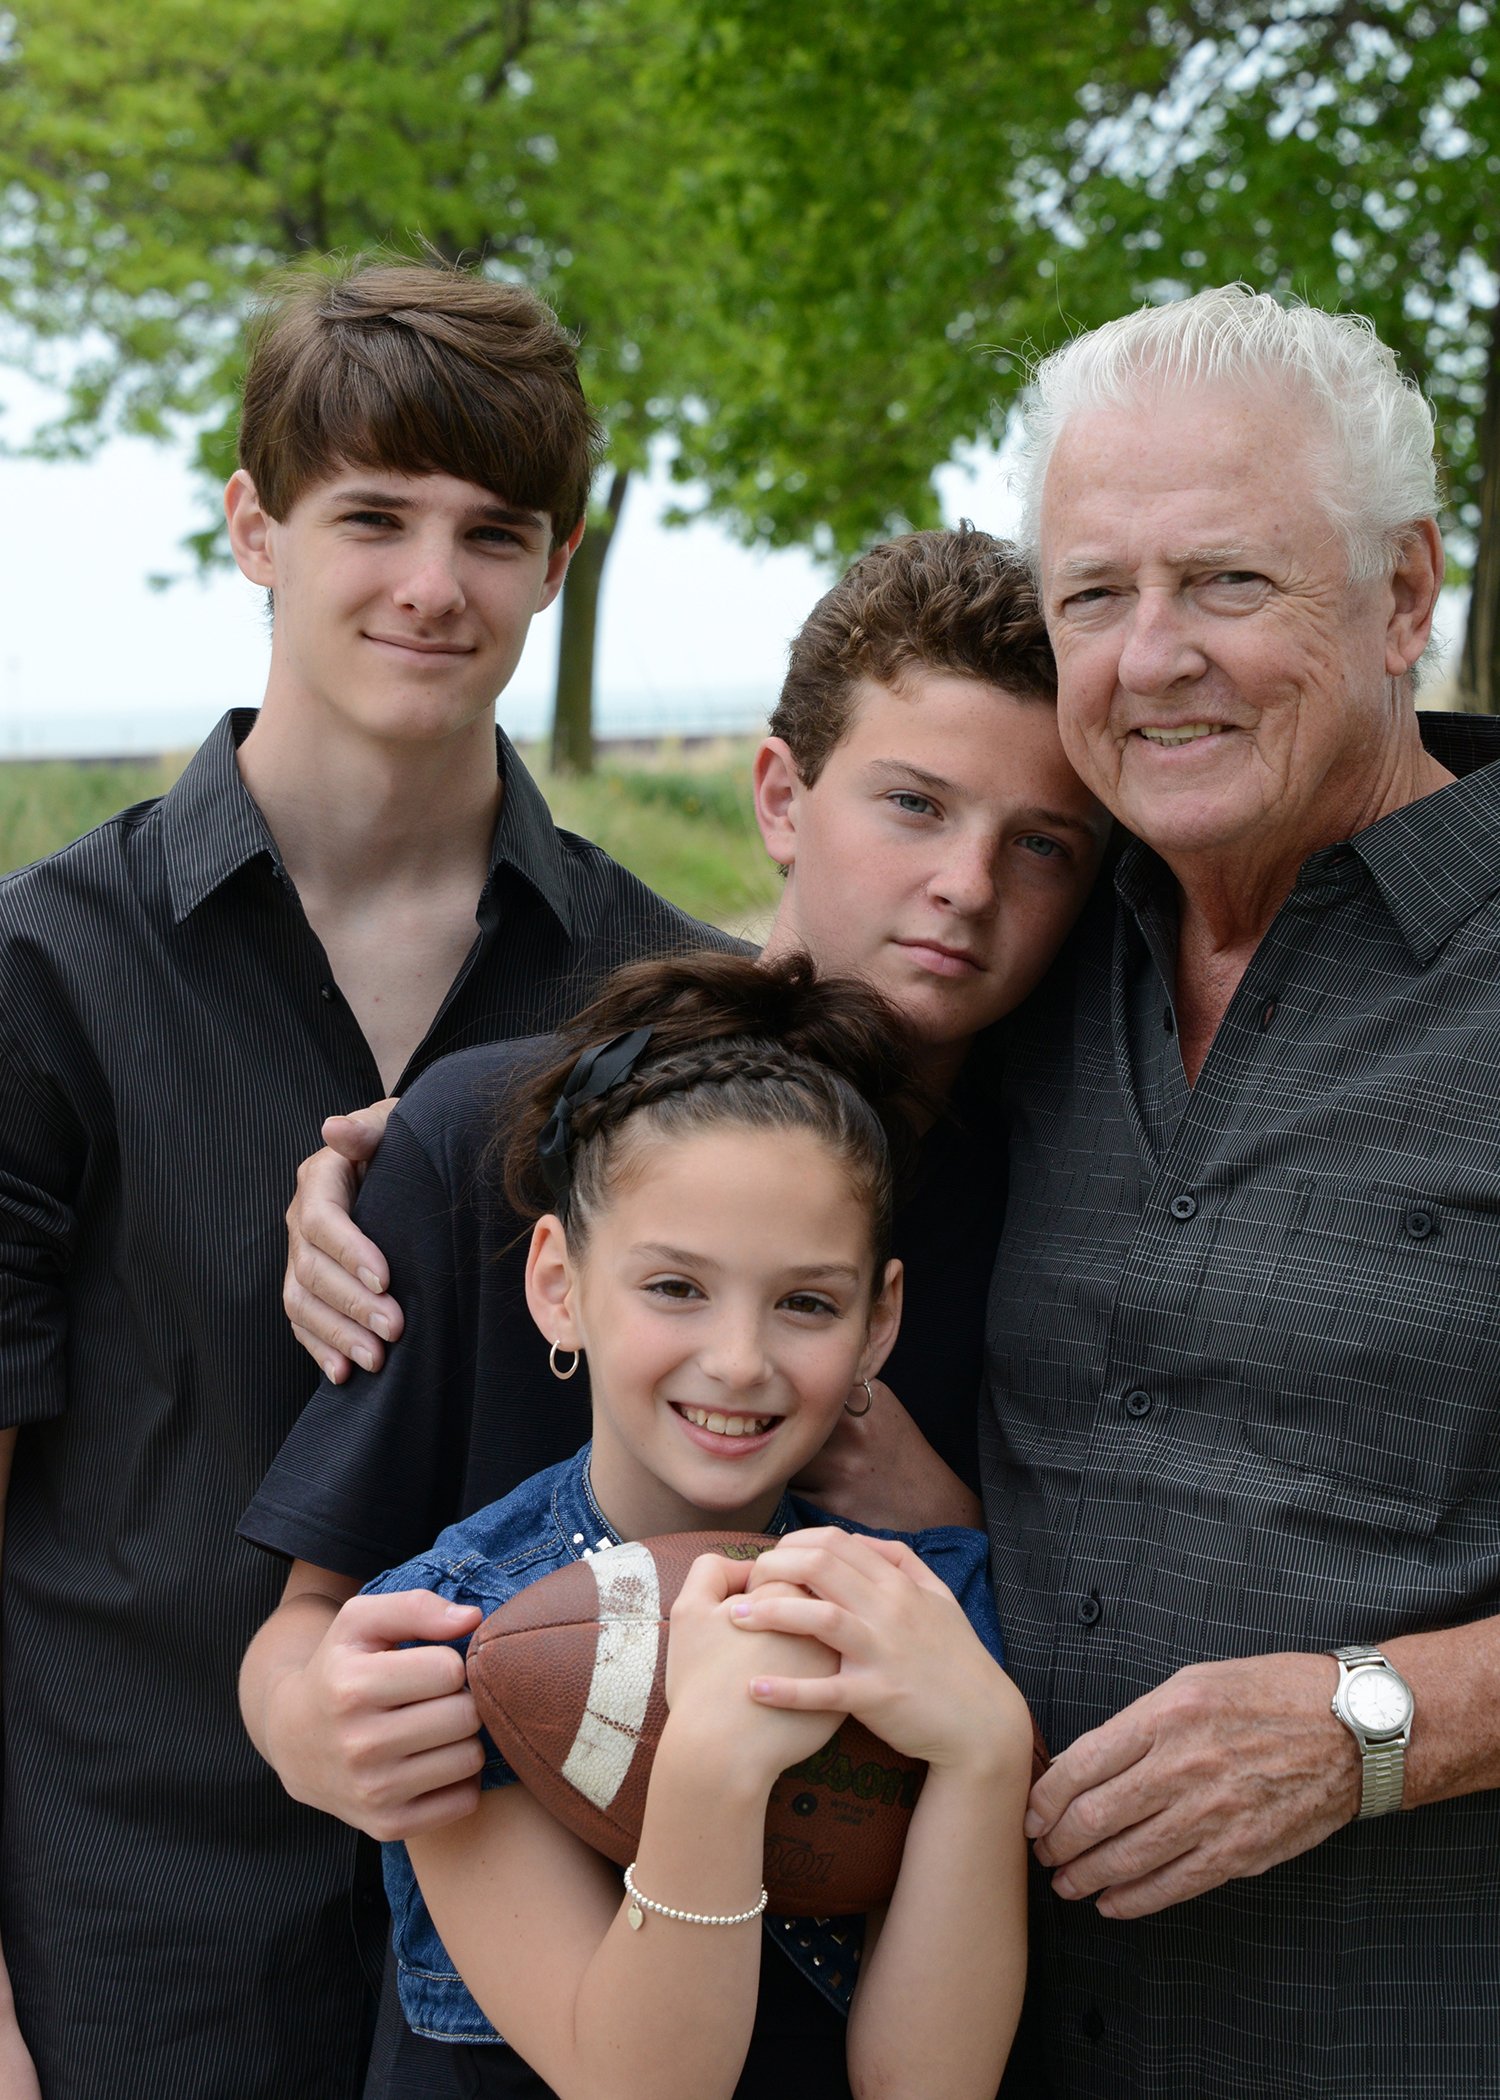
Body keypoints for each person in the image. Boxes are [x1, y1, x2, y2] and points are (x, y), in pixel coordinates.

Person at [0, 255, 733, 2100]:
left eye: (494, 533)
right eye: (373, 517)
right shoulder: (46, 976)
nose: (432, 584)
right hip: (126, 1945)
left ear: (557, 565)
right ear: (254, 527)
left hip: (549, 1970)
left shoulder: (670, 1002)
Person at [238, 528, 1108, 1861]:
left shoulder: (1072, 1209)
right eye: (914, 804)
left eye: (1042, 844)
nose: (967, 885)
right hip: (502, 2007)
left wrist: (932, 1514)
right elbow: (309, 1616)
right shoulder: (504, 1136)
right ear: (779, 797)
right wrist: (310, 1718)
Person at [986, 284, 1500, 2095]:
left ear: (1405, 597)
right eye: (1093, 598)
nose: (1150, 659)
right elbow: (735, 1061)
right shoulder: (1026, 953)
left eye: (1227, 582)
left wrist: (1383, 1723)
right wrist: (428, 1148)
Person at [355, 950, 1033, 2100]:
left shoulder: (929, 1607)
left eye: (807, 1303)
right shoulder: (458, 1641)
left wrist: (984, 1753)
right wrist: (711, 1765)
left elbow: (930, 2086)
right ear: (561, 1284)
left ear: (880, 1324)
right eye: (676, 1287)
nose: (738, 1360)